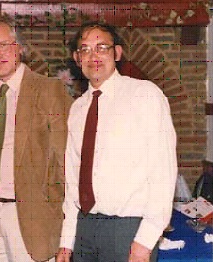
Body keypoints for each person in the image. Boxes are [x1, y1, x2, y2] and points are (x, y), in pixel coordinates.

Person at [56, 22, 177, 262]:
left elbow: (163, 172)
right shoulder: (78, 108)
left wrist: (146, 239)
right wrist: (67, 241)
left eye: (102, 47)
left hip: (128, 231)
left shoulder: (145, 95)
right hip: (85, 229)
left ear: (117, 53)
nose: (94, 56)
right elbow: (73, 178)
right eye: (85, 49)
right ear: (77, 58)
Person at [0, 15, 72, 261]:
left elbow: (65, 162)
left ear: (20, 48)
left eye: (4, 44)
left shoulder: (49, 90)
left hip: (31, 219)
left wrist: (59, 221)